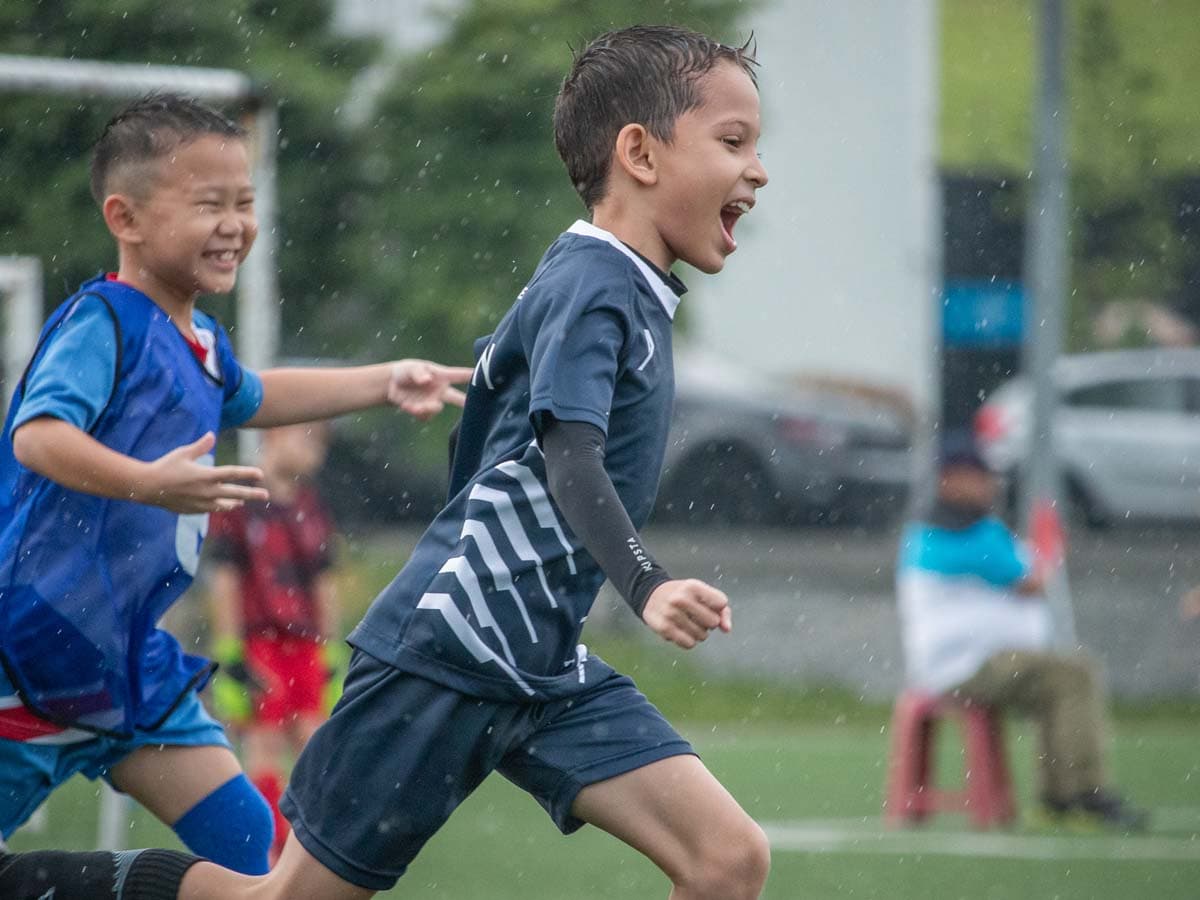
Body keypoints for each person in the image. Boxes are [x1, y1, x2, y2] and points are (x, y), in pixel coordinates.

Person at [0, 23, 772, 899]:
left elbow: (464, 433)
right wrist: (647, 582)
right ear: (638, 152)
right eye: (734, 141)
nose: (758, 168)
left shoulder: (616, 285)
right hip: (448, 651)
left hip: (540, 660)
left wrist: (393, 391)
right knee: (283, 896)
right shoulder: (594, 284)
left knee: (727, 859)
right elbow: (567, 449)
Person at [0, 92, 471, 879]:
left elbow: (259, 394)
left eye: (244, 203)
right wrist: (146, 483)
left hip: (129, 680)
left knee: (256, 854)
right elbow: (37, 436)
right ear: (127, 217)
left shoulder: (203, 345)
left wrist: (385, 379)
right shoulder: (102, 323)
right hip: (26, 669)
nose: (235, 224)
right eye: (209, 204)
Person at [895, 433, 1146, 831]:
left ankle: (1061, 799)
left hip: (954, 665)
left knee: (1059, 681)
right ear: (948, 480)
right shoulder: (968, 535)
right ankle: (1078, 795)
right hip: (968, 666)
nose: (988, 483)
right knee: (1073, 674)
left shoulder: (927, 531)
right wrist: (1045, 550)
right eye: (977, 475)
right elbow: (1030, 581)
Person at [204, 422, 342, 862]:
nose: (315, 451)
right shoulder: (240, 501)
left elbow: (325, 582)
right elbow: (225, 579)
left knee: (313, 744)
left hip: (305, 645)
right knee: (263, 744)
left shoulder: (312, 506)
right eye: (308, 437)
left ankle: (310, 852)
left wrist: (332, 649)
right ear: (275, 434)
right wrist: (230, 654)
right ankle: (267, 853)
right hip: (258, 642)